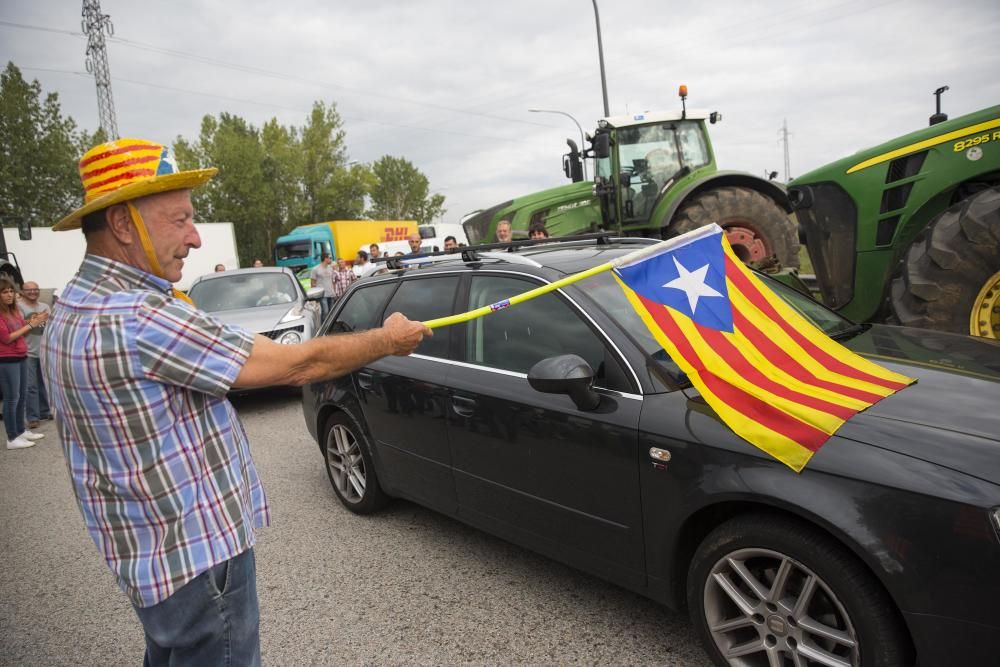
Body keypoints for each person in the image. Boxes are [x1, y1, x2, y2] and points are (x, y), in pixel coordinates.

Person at [42, 137, 430, 666]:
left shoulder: (76, 304)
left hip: (148, 555)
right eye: (179, 219)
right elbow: (298, 365)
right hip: (197, 562)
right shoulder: (139, 317)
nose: (195, 237)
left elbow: (240, 349)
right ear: (123, 225)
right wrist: (386, 341)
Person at [0, 278, 46, 449]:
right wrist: (31, 325)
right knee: (12, 399)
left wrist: (34, 320)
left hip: (21, 356)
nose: (9, 295)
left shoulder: (12, 311)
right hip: (6, 360)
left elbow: (19, 325)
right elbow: (7, 338)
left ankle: (20, 431)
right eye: (5, 292)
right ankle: (12, 438)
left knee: (21, 396)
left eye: (11, 291)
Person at [18, 281, 52, 428]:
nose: (33, 292)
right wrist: (34, 321)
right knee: (30, 386)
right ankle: (33, 417)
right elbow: (16, 326)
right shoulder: (19, 307)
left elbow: (51, 326)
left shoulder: (45, 306)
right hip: (28, 352)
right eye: (29, 290)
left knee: (44, 383)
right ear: (22, 292)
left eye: (35, 289)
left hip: (43, 351)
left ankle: (45, 411)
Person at [310, 252, 336, 317]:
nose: (331, 260)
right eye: (330, 258)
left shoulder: (330, 268)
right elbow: (313, 282)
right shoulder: (315, 269)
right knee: (325, 311)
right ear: (325, 259)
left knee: (332, 312)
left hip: (331, 293)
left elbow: (332, 281)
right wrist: (314, 296)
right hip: (322, 294)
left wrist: (334, 292)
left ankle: (330, 326)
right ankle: (324, 326)